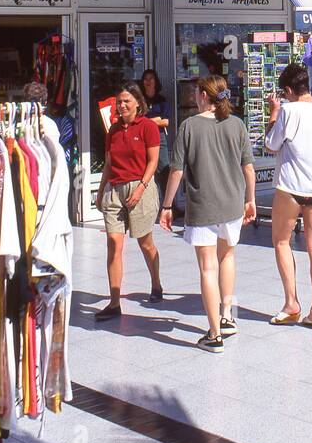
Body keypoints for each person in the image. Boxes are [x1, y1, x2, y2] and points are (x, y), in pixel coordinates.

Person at [158, 77, 256, 352]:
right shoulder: (236, 124)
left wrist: (166, 206)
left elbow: (176, 171)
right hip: (232, 203)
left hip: (203, 206)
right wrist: (250, 200)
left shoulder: (189, 126)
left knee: (207, 267)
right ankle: (226, 316)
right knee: (227, 256)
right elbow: (248, 168)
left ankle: (214, 334)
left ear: (203, 95)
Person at [265, 62, 312, 330]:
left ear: (287, 90)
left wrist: (274, 112)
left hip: (291, 187)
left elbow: (271, 145)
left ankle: (291, 303)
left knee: (281, 242)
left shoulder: (288, 110)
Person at [93, 84, 162, 321]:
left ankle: (156, 284)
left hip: (139, 187)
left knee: (145, 243)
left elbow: (153, 161)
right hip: (115, 189)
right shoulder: (113, 130)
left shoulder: (148, 127)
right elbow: (109, 162)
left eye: (126, 101)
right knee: (114, 243)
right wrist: (102, 191)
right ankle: (114, 302)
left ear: (137, 103)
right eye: (119, 102)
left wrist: (141, 188)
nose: (122, 106)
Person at [140, 68, 172, 204]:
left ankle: (168, 204)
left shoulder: (162, 100)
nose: (148, 81)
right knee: (146, 171)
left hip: (160, 138)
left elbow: (165, 122)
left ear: (155, 81)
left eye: (151, 78)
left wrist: (146, 122)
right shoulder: (139, 100)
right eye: (145, 79)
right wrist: (155, 120)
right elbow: (137, 120)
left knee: (164, 170)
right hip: (143, 139)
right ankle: (150, 205)